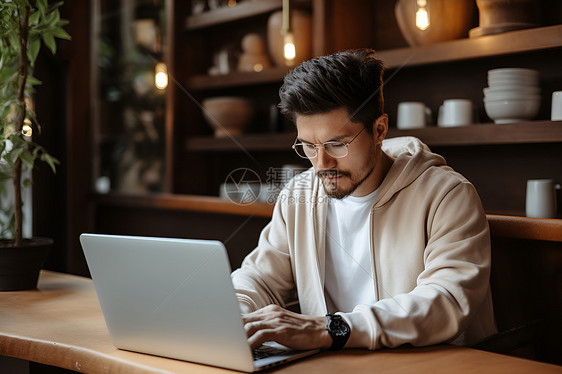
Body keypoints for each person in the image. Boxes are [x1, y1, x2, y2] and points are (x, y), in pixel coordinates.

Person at [231, 49, 497, 351]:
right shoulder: (298, 196)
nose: (321, 164)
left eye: (337, 144)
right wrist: (237, 316)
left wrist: (330, 328)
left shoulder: (447, 195)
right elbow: (259, 278)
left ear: (379, 129)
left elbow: (446, 300)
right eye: (308, 146)